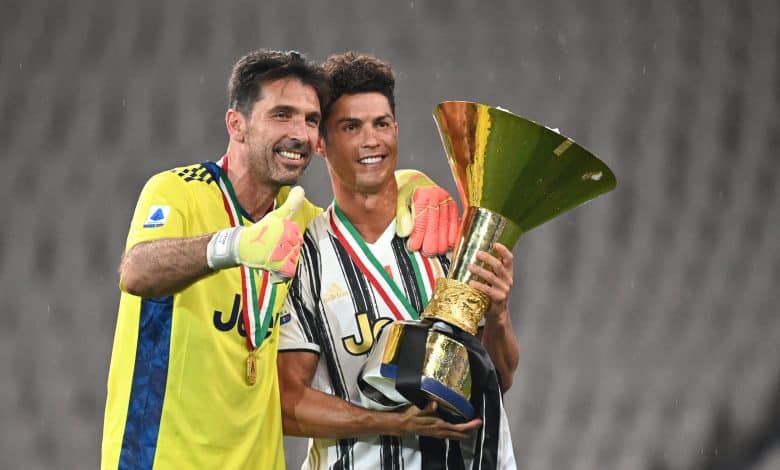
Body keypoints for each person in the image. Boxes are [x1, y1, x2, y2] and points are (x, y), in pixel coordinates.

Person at [101, 49, 458, 470]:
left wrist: (414, 183)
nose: (300, 134)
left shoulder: (300, 218)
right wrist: (234, 245)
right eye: (282, 115)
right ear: (236, 124)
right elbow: (137, 271)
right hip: (163, 458)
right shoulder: (178, 191)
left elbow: (362, 203)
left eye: (310, 120)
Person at [278, 52, 520, 469]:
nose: (371, 140)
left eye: (381, 124)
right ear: (320, 143)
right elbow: (288, 403)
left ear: (396, 130)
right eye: (351, 127)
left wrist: (498, 315)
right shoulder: (306, 259)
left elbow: (498, 378)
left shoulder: (446, 237)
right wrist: (391, 423)